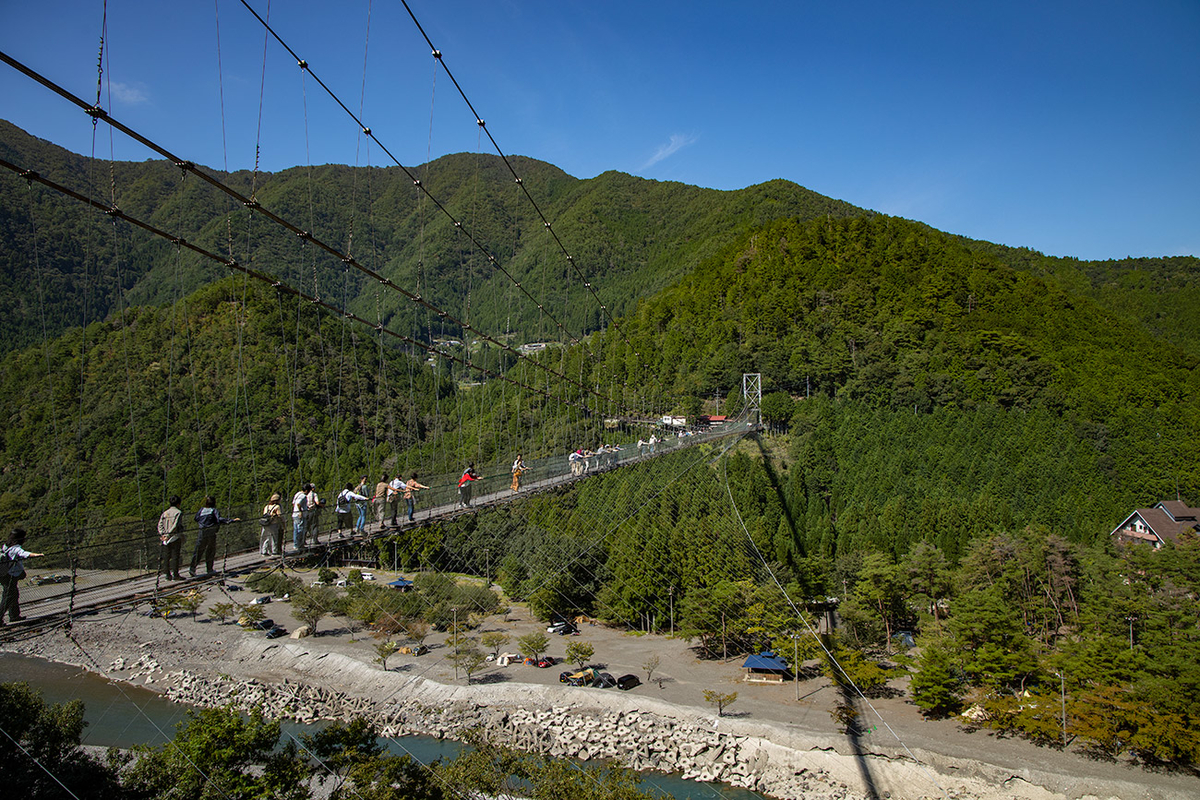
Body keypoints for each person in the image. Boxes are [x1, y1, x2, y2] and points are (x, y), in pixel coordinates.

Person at [2, 528, 44, 625]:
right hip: (10, 575)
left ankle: (14, 616)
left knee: (13, 595)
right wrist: (37, 555)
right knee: (7, 597)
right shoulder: (15, 548)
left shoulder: (5, 546)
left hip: (5, 574)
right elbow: (24, 554)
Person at [189, 496, 239, 577]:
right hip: (211, 533)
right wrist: (231, 520)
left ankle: (192, 568)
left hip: (202, 532)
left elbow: (196, 518)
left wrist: (202, 523)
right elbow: (219, 519)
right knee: (210, 551)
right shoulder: (214, 510)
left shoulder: (201, 510)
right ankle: (209, 569)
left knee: (199, 551)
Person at [157, 496, 184, 580]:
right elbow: (175, 526)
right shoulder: (178, 512)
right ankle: (175, 575)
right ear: (178, 503)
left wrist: (163, 534)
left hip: (165, 538)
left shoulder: (165, 513)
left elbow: (160, 525)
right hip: (174, 537)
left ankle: (167, 575)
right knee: (175, 556)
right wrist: (169, 535)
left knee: (166, 557)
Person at [291, 485, 310, 550]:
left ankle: (295, 544)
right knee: (300, 530)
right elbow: (298, 504)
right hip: (300, 515)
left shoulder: (297, 494)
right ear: (307, 490)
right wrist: (301, 511)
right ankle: (300, 545)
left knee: (295, 530)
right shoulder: (303, 496)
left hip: (294, 514)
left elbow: (293, 503)